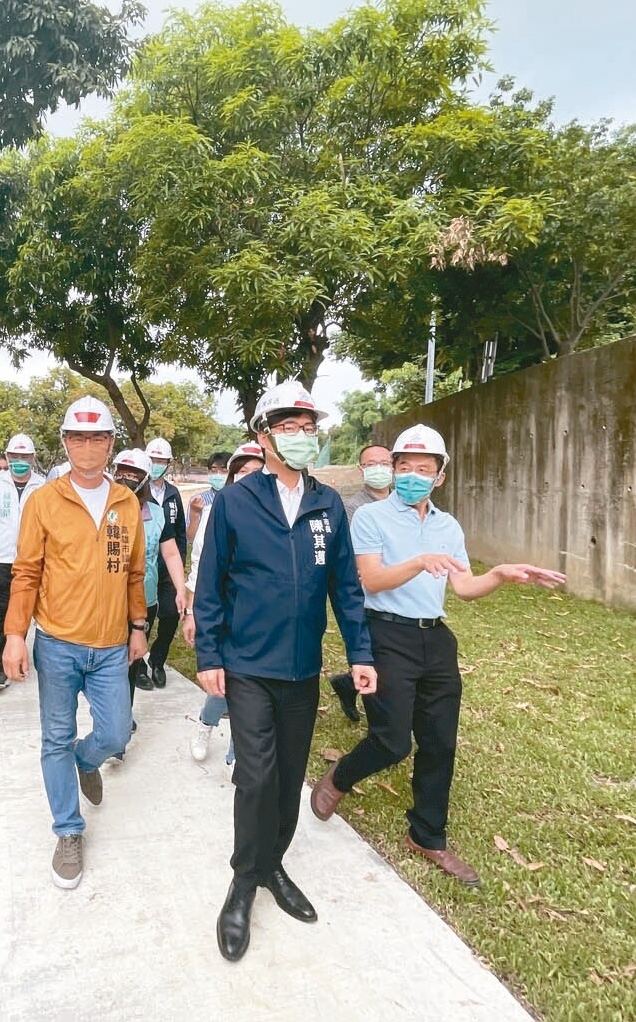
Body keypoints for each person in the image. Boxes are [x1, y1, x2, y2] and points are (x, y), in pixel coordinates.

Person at [310, 424, 567, 887]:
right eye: (403, 467)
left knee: (440, 741)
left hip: (435, 639)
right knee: (391, 741)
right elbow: (369, 582)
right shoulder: (371, 518)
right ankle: (341, 777)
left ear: (439, 477)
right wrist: (417, 562)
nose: (411, 475)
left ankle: (428, 834)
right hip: (385, 635)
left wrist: (502, 575)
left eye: (422, 469)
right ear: (392, 469)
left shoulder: (448, 526)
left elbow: (464, 587)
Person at [193, 379, 377, 962]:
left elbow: (346, 586)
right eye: (291, 428)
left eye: (309, 428)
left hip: (300, 667)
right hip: (247, 665)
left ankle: (274, 864)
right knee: (255, 777)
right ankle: (243, 880)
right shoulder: (235, 503)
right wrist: (209, 658)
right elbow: (212, 588)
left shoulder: (328, 505)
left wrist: (360, 651)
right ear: (264, 436)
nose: (303, 438)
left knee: (290, 773)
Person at [2, 396, 147, 891]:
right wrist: (15, 635)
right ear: (65, 443)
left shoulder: (127, 502)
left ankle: (87, 761)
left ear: (111, 444)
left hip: (110, 648)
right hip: (58, 644)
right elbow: (25, 574)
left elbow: (133, 573)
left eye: (98, 437)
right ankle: (68, 830)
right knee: (54, 739)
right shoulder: (44, 501)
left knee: (115, 735)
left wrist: (139, 626)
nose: (88, 447)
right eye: (79, 437)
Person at [182, 442, 265, 764]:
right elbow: (201, 564)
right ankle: (206, 724)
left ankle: (236, 753)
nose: (249, 478)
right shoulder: (219, 510)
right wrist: (192, 613)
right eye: (242, 472)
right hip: (225, 614)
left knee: (253, 686)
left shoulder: (283, 513)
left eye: (256, 472)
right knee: (226, 679)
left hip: (263, 617)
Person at [112, 448, 187, 723]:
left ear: (144, 480)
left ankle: (122, 717)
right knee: (113, 664)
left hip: (145, 601)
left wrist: (180, 588)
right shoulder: (102, 509)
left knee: (131, 662)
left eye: (134, 475)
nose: (126, 479)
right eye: (122, 472)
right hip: (108, 602)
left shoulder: (156, 514)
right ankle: (113, 716)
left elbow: (169, 553)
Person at [329, 443, 397, 722]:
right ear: (361, 470)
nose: (379, 469)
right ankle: (383, 723)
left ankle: (347, 684)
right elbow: (346, 555)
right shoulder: (351, 508)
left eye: (385, 463)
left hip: (399, 589)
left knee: (389, 655)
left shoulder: (404, 504)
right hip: (367, 592)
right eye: (371, 464)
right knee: (378, 653)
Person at [0, 434, 43, 691]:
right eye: (15, 457)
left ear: (32, 458)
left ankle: (17, 656)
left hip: (31, 560)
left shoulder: (43, 486)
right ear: (8, 457)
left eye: (25, 457)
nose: (20, 461)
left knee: (24, 611)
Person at [139, 436, 186, 690]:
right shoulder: (139, 492)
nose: (156, 464)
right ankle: (139, 666)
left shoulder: (173, 494)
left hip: (167, 568)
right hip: (145, 568)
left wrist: (181, 567)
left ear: (168, 463)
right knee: (143, 617)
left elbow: (179, 532)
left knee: (169, 616)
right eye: (152, 460)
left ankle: (158, 661)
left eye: (161, 461)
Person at [186, 451, 231, 545]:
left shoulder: (240, 499)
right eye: (213, 471)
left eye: (224, 471)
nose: (218, 475)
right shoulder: (197, 500)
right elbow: (190, 539)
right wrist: (195, 514)